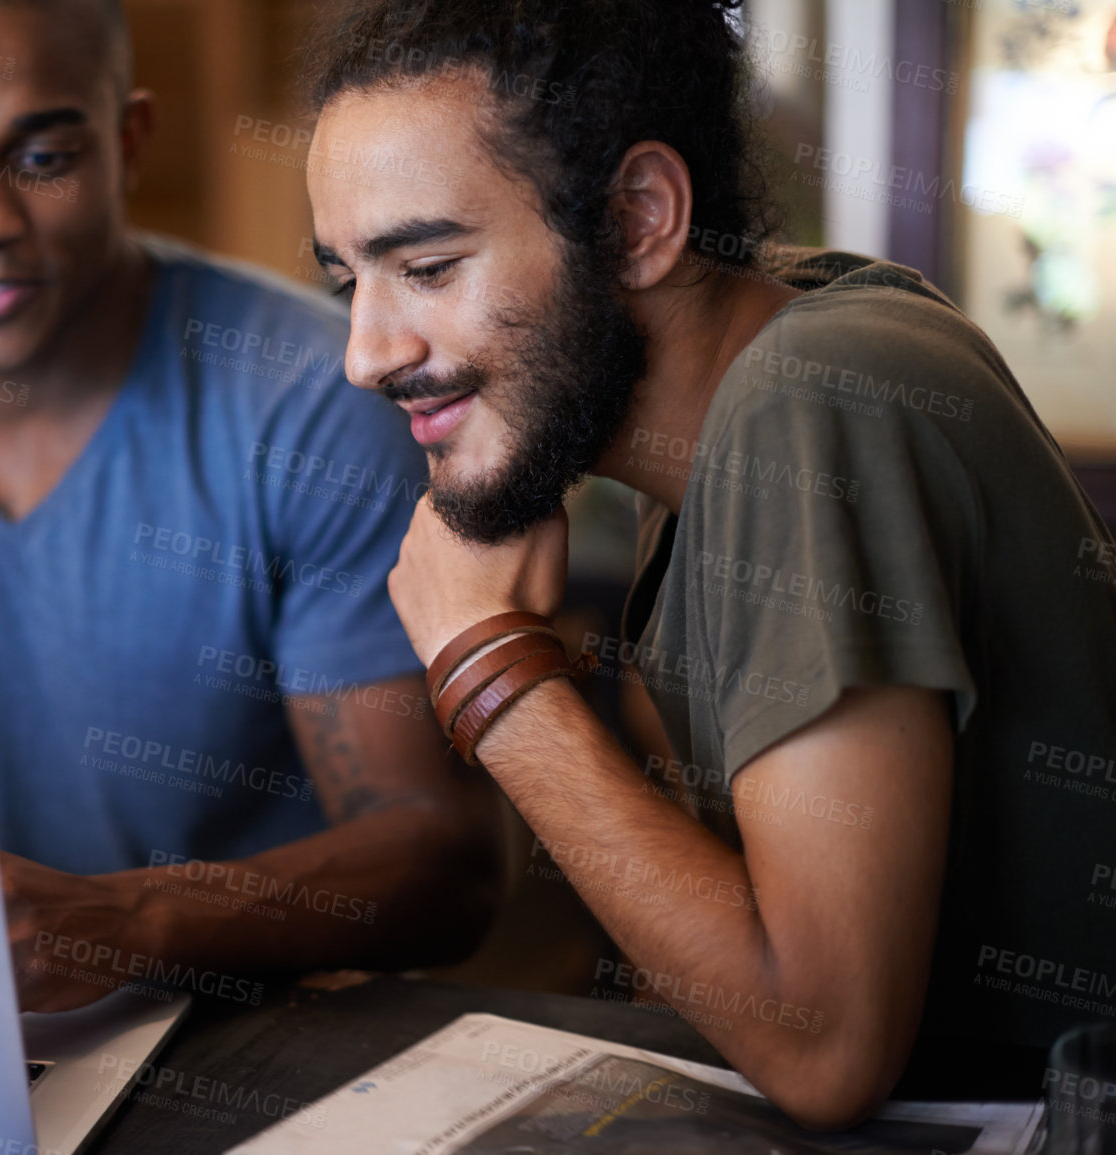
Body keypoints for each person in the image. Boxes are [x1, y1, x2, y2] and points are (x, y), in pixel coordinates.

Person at [303, 0, 1116, 1131]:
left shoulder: (811, 394)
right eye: (351, 279)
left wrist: (486, 667)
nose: (366, 355)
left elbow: (827, 1050)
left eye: (429, 267)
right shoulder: (757, 371)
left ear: (638, 220)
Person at [0, 0, 502, 1013]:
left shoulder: (305, 399)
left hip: (221, 1059)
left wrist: (128, 925)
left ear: (129, 141)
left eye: (41, 157)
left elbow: (443, 864)